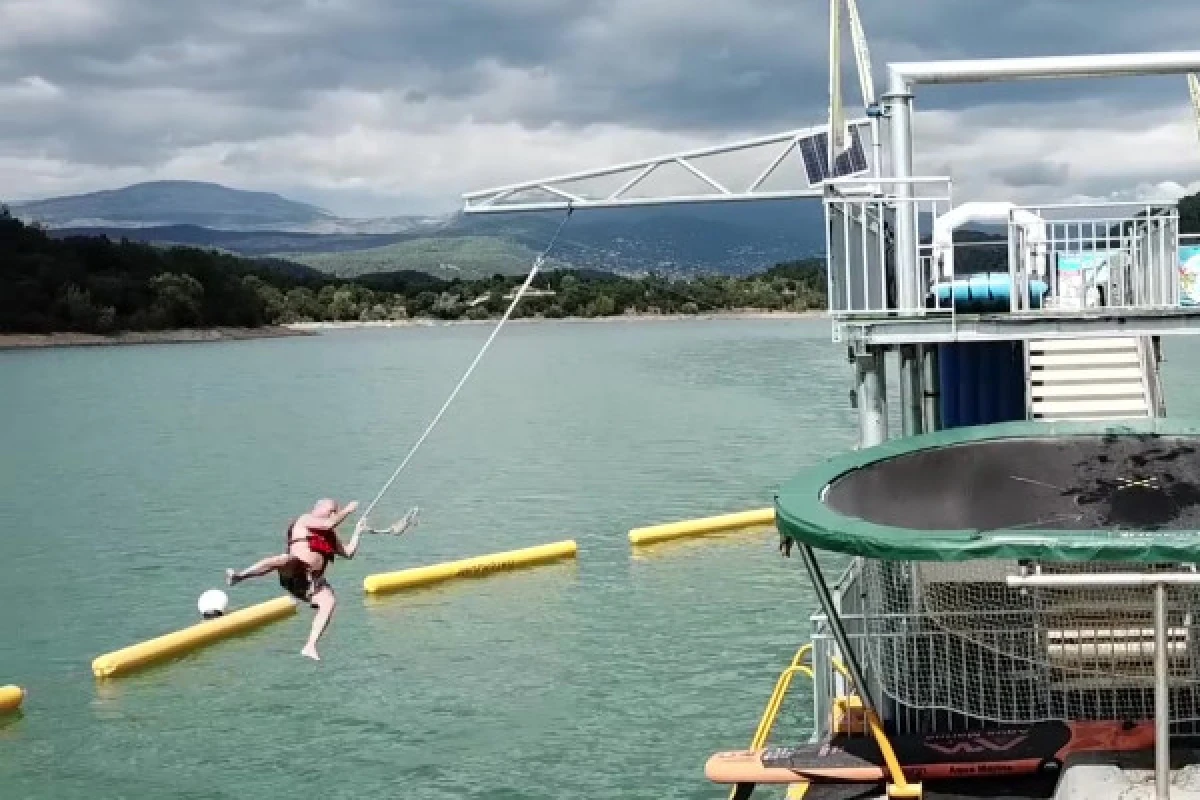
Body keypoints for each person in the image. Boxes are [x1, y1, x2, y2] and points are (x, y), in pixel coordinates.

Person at [224, 498, 363, 661]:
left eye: (335, 511)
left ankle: (310, 645)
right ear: (317, 508)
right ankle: (240, 576)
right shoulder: (305, 519)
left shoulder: (329, 536)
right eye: (331, 510)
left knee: (329, 602)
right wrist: (347, 510)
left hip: (310, 584)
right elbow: (327, 524)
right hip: (294, 571)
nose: (333, 513)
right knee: (283, 559)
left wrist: (357, 532)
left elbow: (348, 552)